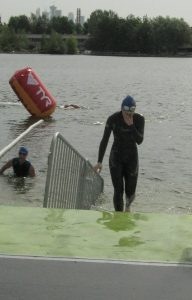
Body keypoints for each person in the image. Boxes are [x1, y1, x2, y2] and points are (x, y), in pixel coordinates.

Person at [94, 95, 145, 212]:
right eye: (126, 111)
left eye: (131, 111)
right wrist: (99, 161)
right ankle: (118, 215)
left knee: (130, 191)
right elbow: (105, 140)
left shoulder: (139, 119)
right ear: (121, 108)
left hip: (132, 158)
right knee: (118, 190)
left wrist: (131, 125)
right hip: (116, 157)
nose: (129, 114)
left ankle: (127, 208)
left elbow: (140, 140)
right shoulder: (113, 119)